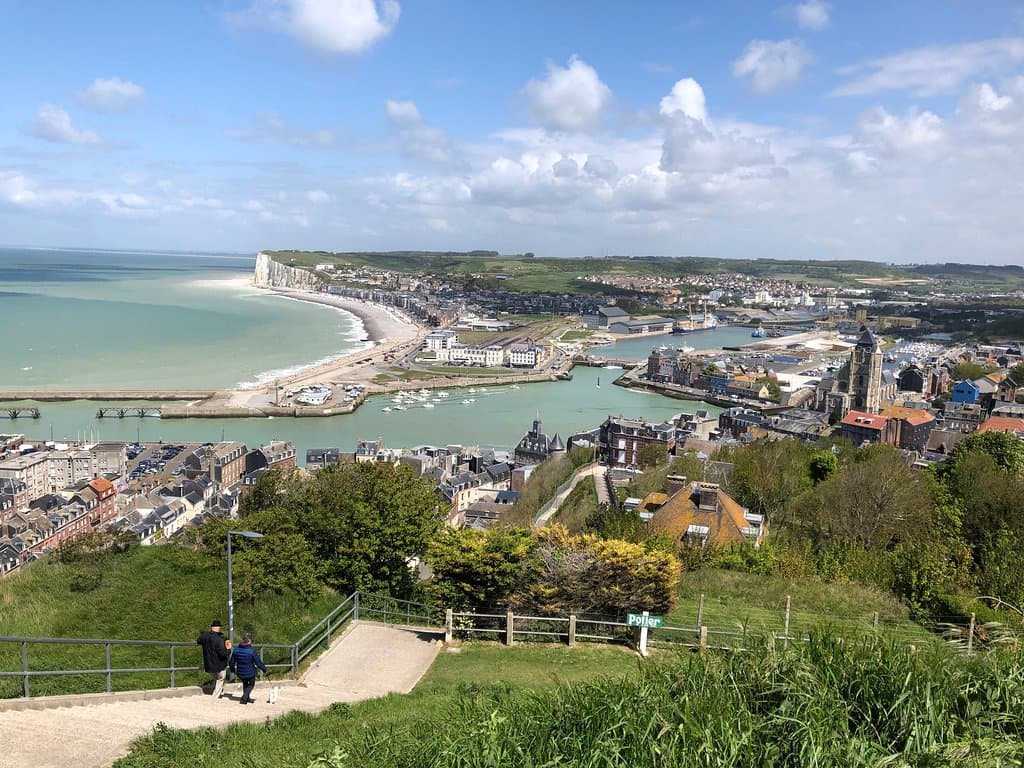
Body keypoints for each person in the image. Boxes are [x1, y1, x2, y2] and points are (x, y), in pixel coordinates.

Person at [229, 632, 267, 705]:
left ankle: (247, 698)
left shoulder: (236, 650)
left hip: (240, 672)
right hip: (250, 672)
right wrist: (263, 668)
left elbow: (231, 662)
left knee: (245, 683)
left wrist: (232, 669)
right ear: (249, 641)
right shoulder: (251, 651)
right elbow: (258, 662)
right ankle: (244, 698)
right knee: (251, 684)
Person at [196, 620, 231, 698]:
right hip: (219, 664)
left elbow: (199, 640)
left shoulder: (205, 636)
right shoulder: (220, 639)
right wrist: (228, 650)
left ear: (212, 627)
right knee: (221, 679)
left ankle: (218, 691)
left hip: (209, 664)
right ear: (219, 628)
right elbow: (223, 653)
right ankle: (215, 695)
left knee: (216, 678)